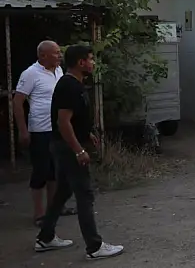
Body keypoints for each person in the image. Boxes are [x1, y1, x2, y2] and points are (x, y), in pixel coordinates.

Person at [35, 44, 124, 259]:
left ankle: (45, 237)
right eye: (90, 59)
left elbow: (75, 119)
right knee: (84, 194)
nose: (93, 63)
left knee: (63, 192)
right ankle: (94, 246)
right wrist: (78, 150)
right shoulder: (69, 86)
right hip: (67, 147)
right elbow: (63, 122)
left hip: (66, 145)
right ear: (80, 62)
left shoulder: (75, 84)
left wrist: (87, 133)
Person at [14, 40, 76, 227]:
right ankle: (39, 214)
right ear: (43, 56)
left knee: (55, 172)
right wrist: (23, 130)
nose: (60, 56)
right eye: (56, 53)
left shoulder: (58, 71)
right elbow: (17, 102)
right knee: (41, 171)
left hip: (57, 128)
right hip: (40, 129)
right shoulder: (31, 73)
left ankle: (53, 208)